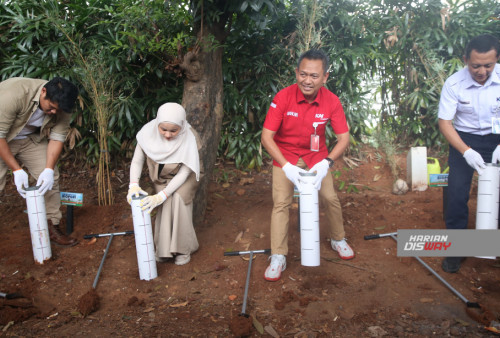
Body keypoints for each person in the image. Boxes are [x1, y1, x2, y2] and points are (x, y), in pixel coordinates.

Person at [261, 49, 354, 282]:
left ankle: (338, 238)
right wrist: (286, 166)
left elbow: (344, 138)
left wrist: (327, 162)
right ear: (296, 73)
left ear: (325, 77)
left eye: (314, 76)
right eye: (303, 74)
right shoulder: (283, 97)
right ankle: (278, 255)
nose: (307, 80)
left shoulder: (331, 101)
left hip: (316, 157)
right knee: (282, 202)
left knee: (330, 197)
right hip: (285, 156)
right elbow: (266, 137)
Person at [438, 34, 500, 273]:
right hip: (464, 139)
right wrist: (466, 152)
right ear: (465, 60)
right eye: (475, 65)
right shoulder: (454, 84)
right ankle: (456, 248)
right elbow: (445, 123)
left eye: (488, 65)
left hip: (497, 138)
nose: (482, 71)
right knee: (455, 194)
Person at [0, 77, 79, 246]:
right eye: (50, 108)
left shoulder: (63, 105)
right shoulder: (12, 95)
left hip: (29, 139)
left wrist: (48, 169)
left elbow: (57, 137)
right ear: (43, 92)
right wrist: (16, 170)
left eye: (57, 111)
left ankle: (52, 226)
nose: (53, 113)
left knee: (50, 179)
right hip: (3, 138)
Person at [127, 102, 201, 266]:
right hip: (162, 175)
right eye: (163, 129)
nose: (168, 135)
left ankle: (183, 249)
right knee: (166, 204)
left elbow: (184, 172)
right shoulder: (147, 132)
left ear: (181, 126)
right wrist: (133, 184)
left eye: (173, 130)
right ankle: (163, 250)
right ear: (157, 123)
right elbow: (137, 161)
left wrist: (162, 195)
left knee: (179, 200)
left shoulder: (190, 137)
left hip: (186, 175)